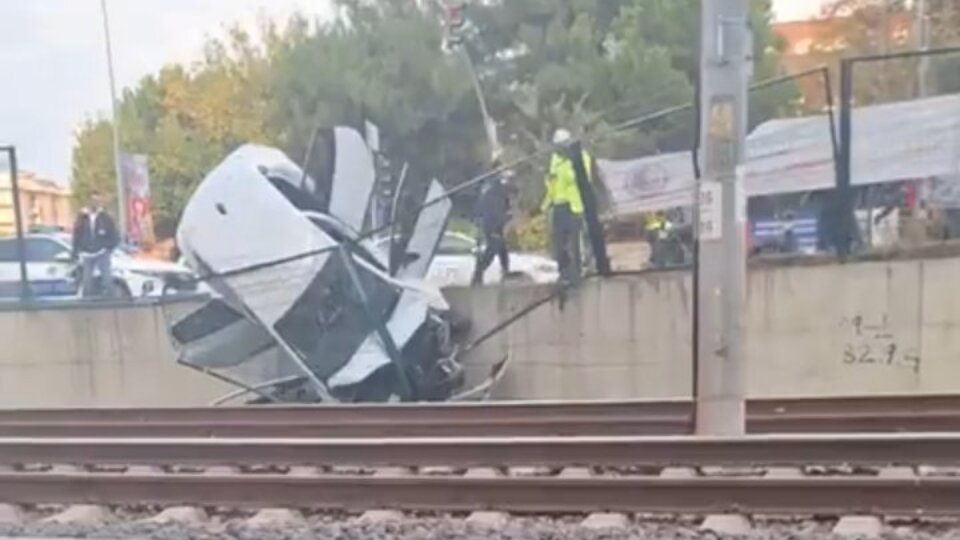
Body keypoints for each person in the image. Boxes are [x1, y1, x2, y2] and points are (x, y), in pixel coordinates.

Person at [541, 128, 594, 282]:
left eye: (562, 146)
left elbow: (582, 180)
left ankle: (578, 272)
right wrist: (545, 205)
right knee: (559, 242)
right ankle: (563, 273)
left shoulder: (582, 157)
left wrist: (568, 163)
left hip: (574, 204)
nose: (559, 149)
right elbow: (552, 184)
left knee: (574, 241)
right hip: (558, 204)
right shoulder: (555, 159)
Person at [71, 191, 120, 298]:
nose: (95, 203)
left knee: (107, 279)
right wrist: (76, 252)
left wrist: (108, 248)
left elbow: (114, 235)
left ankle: (110, 302)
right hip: (87, 254)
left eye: (97, 201)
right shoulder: (83, 218)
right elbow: (77, 235)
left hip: (102, 252)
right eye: (93, 200)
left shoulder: (105, 217)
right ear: (89, 202)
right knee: (87, 282)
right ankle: (89, 305)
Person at [471, 163, 511, 286]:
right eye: (501, 170)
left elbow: (504, 203)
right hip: (492, 222)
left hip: (495, 222)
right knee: (493, 247)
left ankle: (505, 271)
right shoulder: (493, 187)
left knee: (502, 248)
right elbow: (493, 205)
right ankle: (478, 273)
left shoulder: (493, 186)